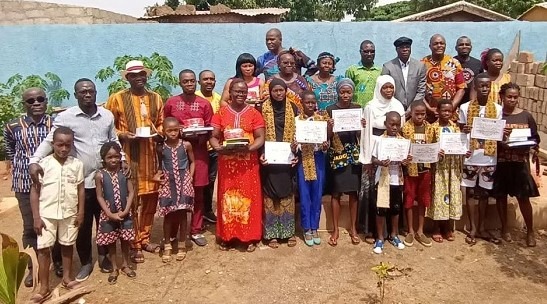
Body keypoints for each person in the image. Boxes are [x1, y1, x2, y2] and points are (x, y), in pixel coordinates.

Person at [30, 78, 121, 281]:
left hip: (104, 179)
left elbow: (113, 140)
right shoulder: (66, 117)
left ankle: (105, 256)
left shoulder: (106, 115)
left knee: (105, 221)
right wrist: (35, 160)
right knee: (83, 224)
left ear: (96, 93)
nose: (87, 95)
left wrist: (121, 160)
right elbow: (50, 140)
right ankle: (87, 261)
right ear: (76, 95)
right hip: (82, 181)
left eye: (90, 91)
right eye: (82, 92)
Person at [106, 60, 164, 262]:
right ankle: (133, 243)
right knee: (131, 202)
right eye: (134, 75)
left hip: (151, 159)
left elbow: (161, 124)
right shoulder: (117, 99)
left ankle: (145, 238)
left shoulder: (156, 98)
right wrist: (123, 135)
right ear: (127, 78)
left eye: (142, 74)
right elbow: (108, 127)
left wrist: (159, 134)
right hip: (129, 159)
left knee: (150, 200)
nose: (139, 78)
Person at [3, 87, 62, 287]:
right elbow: (11, 149)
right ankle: (33, 267)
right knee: (31, 227)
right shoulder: (13, 126)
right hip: (24, 183)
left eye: (40, 99)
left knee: (55, 221)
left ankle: (58, 262)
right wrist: (19, 165)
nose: (36, 103)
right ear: (24, 105)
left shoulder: (56, 124)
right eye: (31, 101)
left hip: (51, 182)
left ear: (46, 102)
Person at [210, 79, 266, 252]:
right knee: (228, 198)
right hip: (227, 164)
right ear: (230, 93)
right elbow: (214, 136)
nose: (240, 95)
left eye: (244, 92)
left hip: (248, 164)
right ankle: (228, 236)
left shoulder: (254, 114)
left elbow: (260, 137)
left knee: (249, 198)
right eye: (237, 91)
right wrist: (218, 148)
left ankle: (250, 237)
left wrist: (248, 148)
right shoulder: (221, 113)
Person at [30, 127, 84, 303]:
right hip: (47, 215)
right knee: (44, 249)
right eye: (59, 145)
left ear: (71, 145)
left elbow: (81, 190)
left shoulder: (76, 165)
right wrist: (36, 217)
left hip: (69, 213)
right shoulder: (43, 164)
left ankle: (67, 278)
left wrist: (81, 211)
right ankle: (44, 287)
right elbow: (34, 192)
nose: (63, 149)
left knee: (67, 245)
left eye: (67, 145)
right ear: (52, 144)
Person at [164, 69, 213, 247]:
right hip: (176, 154)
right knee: (176, 193)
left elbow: (210, 129)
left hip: (199, 154)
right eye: (186, 81)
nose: (190, 84)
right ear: (180, 83)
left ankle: (196, 229)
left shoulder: (204, 104)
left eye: (192, 81)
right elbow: (166, 126)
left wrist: (197, 136)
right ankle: (174, 231)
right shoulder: (171, 103)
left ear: (196, 83)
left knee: (198, 192)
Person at [459, 73, 506, 245]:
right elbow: (461, 131)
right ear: (475, 88)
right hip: (471, 156)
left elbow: (498, 132)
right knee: (471, 192)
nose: (485, 88)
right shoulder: (465, 108)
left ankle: (482, 227)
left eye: (487, 85)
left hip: (489, 157)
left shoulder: (498, 109)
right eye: (481, 86)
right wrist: (464, 129)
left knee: (485, 192)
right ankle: (472, 227)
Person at [359, 75, 405, 243]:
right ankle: (373, 231)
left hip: (394, 154)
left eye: (391, 87)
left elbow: (401, 130)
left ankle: (393, 233)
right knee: (374, 194)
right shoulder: (370, 107)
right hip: (374, 150)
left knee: (393, 198)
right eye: (385, 87)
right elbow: (366, 134)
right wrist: (368, 160)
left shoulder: (398, 105)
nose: (388, 91)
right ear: (379, 88)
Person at [493, 83, 539, 247]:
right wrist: (501, 137)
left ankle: (530, 231)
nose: (512, 100)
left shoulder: (526, 116)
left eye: (515, 97)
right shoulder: (497, 116)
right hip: (502, 162)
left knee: (523, 198)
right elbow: (489, 138)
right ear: (502, 97)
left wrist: (529, 145)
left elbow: (535, 138)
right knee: (501, 196)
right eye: (509, 97)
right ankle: (505, 228)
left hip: (520, 164)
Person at [260, 78, 299, 248]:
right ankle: (272, 234)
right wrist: (261, 154)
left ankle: (288, 232)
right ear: (270, 91)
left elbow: (299, 132)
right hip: (269, 158)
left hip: (287, 158)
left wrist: (296, 150)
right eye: (275, 90)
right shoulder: (262, 108)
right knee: (270, 194)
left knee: (287, 193)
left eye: (281, 90)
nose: (278, 93)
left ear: (285, 91)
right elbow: (258, 134)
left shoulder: (294, 108)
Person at [153, 117, 195, 261]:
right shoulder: (161, 148)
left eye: (175, 130)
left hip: (184, 183)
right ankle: (167, 244)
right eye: (169, 131)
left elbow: (193, 162)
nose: (173, 133)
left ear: (180, 129)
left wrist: (190, 176)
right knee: (168, 215)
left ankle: (182, 245)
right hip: (168, 185)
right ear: (164, 131)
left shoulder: (186, 145)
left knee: (183, 214)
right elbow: (159, 166)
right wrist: (157, 176)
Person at [326, 79, 361, 246]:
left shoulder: (357, 109)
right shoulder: (330, 110)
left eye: (348, 92)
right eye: (342, 92)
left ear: (352, 93)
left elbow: (360, 135)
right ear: (338, 92)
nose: (345, 95)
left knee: (354, 192)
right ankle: (335, 229)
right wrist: (329, 127)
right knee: (336, 192)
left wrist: (362, 125)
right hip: (337, 153)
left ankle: (353, 228)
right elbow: (327, 136)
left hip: (353, 153)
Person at [95, 142, 136, 283]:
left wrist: (126, 210)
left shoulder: (124, 172)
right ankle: (114, 268)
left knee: (125, 239)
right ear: (103, 159)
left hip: (125, 211)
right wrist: (109, 214)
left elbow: (131, 192)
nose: (113, 160)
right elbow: (99, 196)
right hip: (108, 214)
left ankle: (125, 264)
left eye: (116, 157)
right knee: (111, 242)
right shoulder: (100, 175)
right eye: (109, 157)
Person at [427, 100, 467, 242]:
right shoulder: (432, 128)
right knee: (439, 195)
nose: (446, 113)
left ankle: (448, 227)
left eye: (449, 111)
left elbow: (461, 145)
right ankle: (436, 227)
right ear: (437, 111)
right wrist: (436, 152)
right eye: (444, 110)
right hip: (439, 168)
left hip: (453, 167)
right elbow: (428, 148)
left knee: (452, 194)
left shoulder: (456, 128)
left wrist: (464, 151)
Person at [371, 112, 410, 254]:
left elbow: (406, 159)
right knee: (381, 208)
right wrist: (381, 162)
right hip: (382, 179)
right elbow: (373, 159)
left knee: (395, 208)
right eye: (391, 124)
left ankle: (394, 235)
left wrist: (405, 161)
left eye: (397, 125)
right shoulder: (380, 140)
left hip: (396, 179)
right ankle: (380, 238)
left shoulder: (403, 142)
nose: (394, 127)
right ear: (385, 124)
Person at [295, 91, 329, 246]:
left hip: (318, 159)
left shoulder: (321, 120)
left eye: (312, 102)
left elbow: (325, 143)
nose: (310, 105)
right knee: (305, 194)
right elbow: (293, 142)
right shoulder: (297, 121)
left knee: (317, 193)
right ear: (301, 102)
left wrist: (324, 146)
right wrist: (294, 146)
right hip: (304, 159)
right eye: (307, 102)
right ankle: (306, 227)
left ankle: (315, 227)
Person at [401, 101, 433, 247]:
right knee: (409, 198)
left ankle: (420, 230)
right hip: (410, 171)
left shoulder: (430, 129)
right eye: (417, 114)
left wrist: (438, 152)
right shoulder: (405, 128)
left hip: (425, 170)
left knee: (423, 200)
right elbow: (400, 148)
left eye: (423, 114)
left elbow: (436, 146)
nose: (420, 117)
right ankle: (410, 231)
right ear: (411, 113)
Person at [422, 34, 466, 122]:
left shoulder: (454, 63)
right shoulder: (422, 64)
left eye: (442, 43)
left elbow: (461, 88)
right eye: (436, 43)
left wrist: (449, 108)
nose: (439, 46)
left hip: (451, 115)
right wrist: (429, 108)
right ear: (430, 46)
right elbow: (418, 90)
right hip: (429, 115)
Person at [196, 70, 221, 224]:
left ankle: (207, 211)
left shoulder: (218, 99)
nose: (209, 82)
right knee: (198, 181)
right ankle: (197, 212)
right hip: (198, 147)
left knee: (211, 180)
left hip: (213, 148)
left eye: (212, 79)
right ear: (199, 82)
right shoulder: (195, 98)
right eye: (205, 79)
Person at [381, 37, 427, 113]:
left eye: (407, 47)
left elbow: (421, 91)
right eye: (401, 47)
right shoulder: (388, 67)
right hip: (393, 109)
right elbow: (385, 90)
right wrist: (397, 107)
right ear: (396, 49)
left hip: (414, 111)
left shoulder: (420, 66)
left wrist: (411, 109)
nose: (405, 49)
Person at [345, 40, 382, 108]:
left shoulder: (380, 71)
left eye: (372, 51)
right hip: (357, 109)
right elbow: (346, 91)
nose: (369, 54)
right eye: (366, 51)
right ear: (360, 52)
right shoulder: (352, 70)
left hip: (376, 109)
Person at [454, 36, 483, 105]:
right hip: (454, 103)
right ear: (456, 48)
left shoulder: (478, 64)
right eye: (461, 45)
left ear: (471, 47)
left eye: (467, 44)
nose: (464, 46)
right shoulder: (451, 63)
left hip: (472, 104)